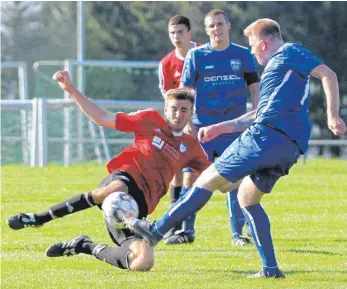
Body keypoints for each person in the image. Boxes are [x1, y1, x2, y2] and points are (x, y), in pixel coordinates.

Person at [125, 18, 347, 278]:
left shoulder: (289, 52)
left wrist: (332, 116)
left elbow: (327, 74)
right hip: (288, 146)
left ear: (263, 43)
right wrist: (222, 128)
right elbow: (258, 113)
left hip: (265, 137)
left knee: (207, 178)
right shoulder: (279, 73)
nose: (252, 52)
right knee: (247, 198)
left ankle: (156, 231)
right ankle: (271, 270)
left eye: (253, 46)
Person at [7, 71, 211, 272]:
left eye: (184, 110)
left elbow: (217, 177)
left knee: (143, 262)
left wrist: (240, 166)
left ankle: (84, 246)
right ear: (166, 109)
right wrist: (71, 90)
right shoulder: (149, 119)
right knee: (117, 187)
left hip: (137, 210)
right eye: (174, 108)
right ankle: (39, 218)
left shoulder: (191, 147)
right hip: (125, 178)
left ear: (191, 113)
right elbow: (102, 117)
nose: (178, 114)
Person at [165, 9, 259, 246]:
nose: (216, 29)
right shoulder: (196, 56)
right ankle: (186, 231)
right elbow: (186, 91)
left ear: (228, 25)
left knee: (235, 180)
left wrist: (257, 116)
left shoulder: (243, 54)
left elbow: (255, 89)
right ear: (206, 30)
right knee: (191, 179)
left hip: (233, 130)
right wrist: (185, 122)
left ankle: (238, 234)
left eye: (219, 24)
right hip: (201, 129)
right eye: (211, 26)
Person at [158, 15, 201, 242]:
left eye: (180, 32)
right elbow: (167, 98)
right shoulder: (166, 63)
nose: (176, 37)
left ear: (190, 33)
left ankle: (187, 229)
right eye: (172, 33)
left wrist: (193, 122)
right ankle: (175, 226)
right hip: (178, 127)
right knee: (174, 174)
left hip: (201, 124)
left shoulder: (203, 53)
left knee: (191, 177)